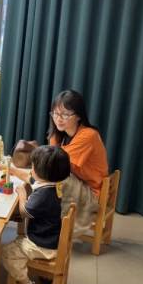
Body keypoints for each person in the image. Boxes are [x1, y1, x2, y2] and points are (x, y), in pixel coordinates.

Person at [2, 145, 71, 284]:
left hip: (43, 245)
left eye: (33, 167)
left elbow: (25, 212)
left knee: (6, 253)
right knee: (14, 244)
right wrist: (11, 170)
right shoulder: (52, 185)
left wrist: (22, 195)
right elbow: (29, 178)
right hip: (51, 237)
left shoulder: (43, 195)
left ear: (41, 173)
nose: (31, 169)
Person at [47, 90, 108, 232]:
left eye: (65, 115)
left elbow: (56, 163)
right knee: (46, 178)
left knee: (54, 180)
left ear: (79, 116)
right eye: (55, 113)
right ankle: (44, 224)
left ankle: (54, 231)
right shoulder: (57, 135)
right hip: (78, 182)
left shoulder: (88, 135)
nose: (59, 119)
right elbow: (50, 162)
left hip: (91, 192)